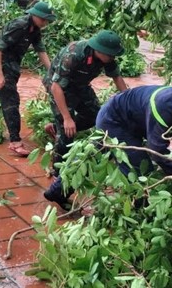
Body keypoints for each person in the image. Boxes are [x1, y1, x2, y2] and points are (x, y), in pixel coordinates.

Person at [43, 29, 128, 210]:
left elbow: (118, 79)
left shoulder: (108, 57)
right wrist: (66, 118)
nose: (113, 58)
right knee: (67, 133)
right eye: (111, 55)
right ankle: (59, 174)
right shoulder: (73, 54)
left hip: (81, 86)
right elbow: (56, 86)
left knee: (96, 117)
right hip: (59, 89)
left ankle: (57, 129)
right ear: (100, 51)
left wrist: (131, 101)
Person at [0, 1, 56, 157]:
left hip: (13, 62)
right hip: (1, 62)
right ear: (35, 15)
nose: (45, 23)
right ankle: (15, 142)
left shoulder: (35, 29)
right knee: (10, 99)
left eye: (47, 20)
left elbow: (40, 50)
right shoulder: (20, 25)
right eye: (44, 19)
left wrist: (51, 71)